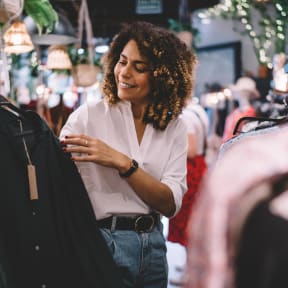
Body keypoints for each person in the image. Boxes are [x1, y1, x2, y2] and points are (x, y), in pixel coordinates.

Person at [60, 21, 197, 287]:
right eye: (122, 61)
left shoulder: (174, 128)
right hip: (102, 242)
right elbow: (57, 181)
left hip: (155, 247)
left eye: (139, 67)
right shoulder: (90, 116)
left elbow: (169, 204)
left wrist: (123, 163)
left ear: (163, 75)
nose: (124, 72)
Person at [168, 98, 209, 247]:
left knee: (187, 218)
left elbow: (190, 150)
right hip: (200, 163)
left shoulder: (185, 117)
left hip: (190, 168)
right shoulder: (198, 110)